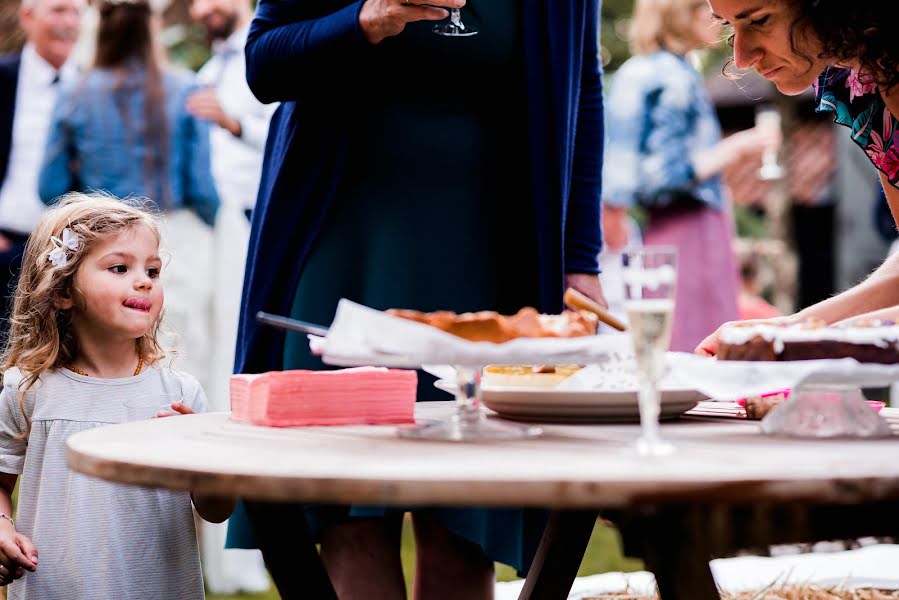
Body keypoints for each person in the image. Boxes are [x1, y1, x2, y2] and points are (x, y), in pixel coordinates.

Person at [228, 0, 609, 596]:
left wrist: (580, 257)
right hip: (343, 236)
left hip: (492, 250)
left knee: (465, 512)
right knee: (351, 505)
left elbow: (581, 89)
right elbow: (264, 65)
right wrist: (368, 18)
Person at [0, 194, 232, 598]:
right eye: (120, 267)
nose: (144, 280)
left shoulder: (179, 394)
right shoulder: (28, 390)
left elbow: (216, 510)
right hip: (56, 587)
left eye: (153, 270)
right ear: (62, 292)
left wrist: (202, 463)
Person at [697, 0, 899, 355]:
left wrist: (804, 341)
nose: (741, 57)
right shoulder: (863, 79)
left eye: (759, 20)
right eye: (729, 27)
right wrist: (794, 328)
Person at [37, 0, 219, 387]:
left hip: (99, 247)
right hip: (175, 245)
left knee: (102, 358)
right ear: (152, 30)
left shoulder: (75, 91)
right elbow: (202, 188)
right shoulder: (185, 86)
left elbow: (49, 188)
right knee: (181, 360)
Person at [602, 0, 778, 352]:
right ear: (679, 14)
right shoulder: (654, 74)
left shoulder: (678, 72)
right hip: (679, 231)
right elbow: (650, 176)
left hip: (700, 228)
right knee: (687, 348)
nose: (717, 20)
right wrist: (734, 149)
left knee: (706, 345)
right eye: (706, 9)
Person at [186, 0, 276, 593]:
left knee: (237, 365)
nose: (204, 8)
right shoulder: (205, 70)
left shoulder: (264, 55)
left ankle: (250, 542)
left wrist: (235, 123)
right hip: (213, 232)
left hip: (254, 230)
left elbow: (288, 134)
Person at [0, 0, 83, 326]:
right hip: (6, 246)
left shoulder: (92, 86)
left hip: (69, 256)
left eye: (77, 12)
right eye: (59, 10)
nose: (70, 22)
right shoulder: (4, 77)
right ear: (27, 17)